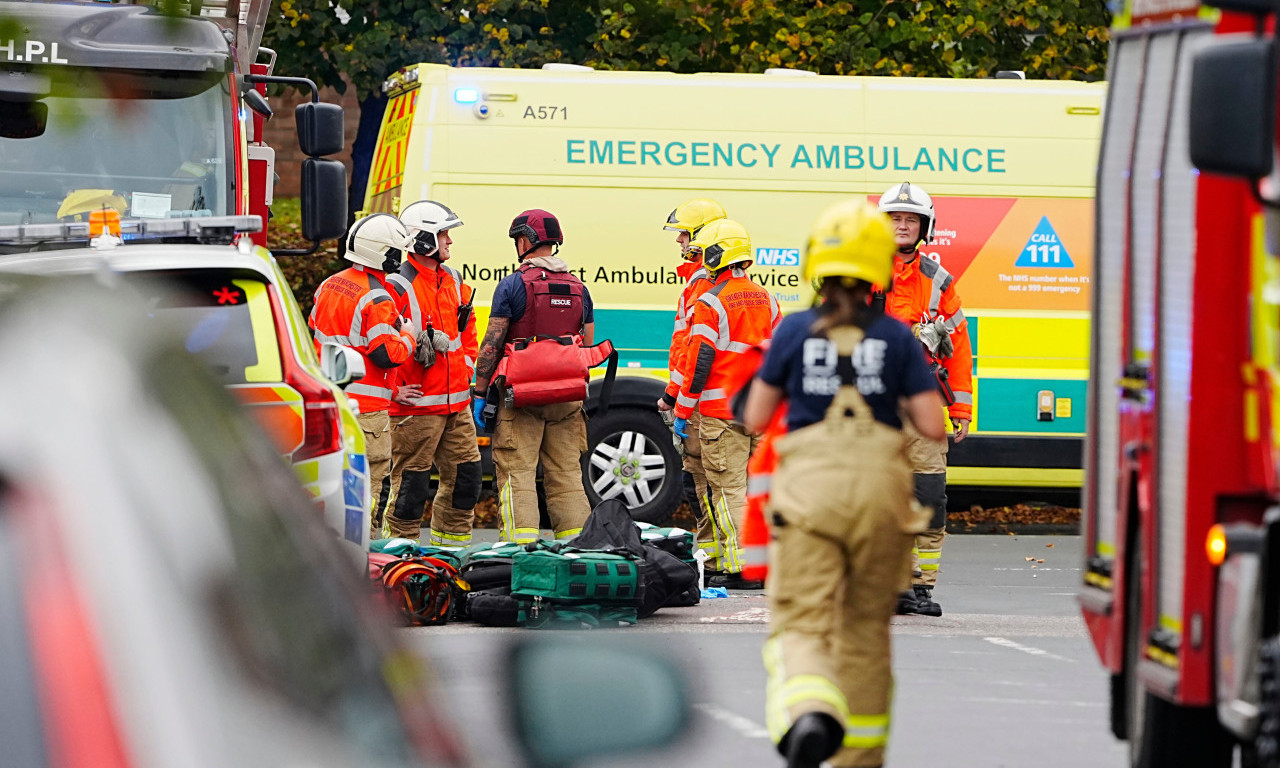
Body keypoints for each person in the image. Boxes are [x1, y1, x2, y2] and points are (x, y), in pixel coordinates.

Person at [743, 201, 945, 768]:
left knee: (803, 623)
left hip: (810, 496)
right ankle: (859, 759)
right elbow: (932, 424)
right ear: (879, 266)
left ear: (817, 264)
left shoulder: (793, 331)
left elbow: (757, 415)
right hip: (882, 499)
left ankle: (811, 711)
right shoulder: (898, 338)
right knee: (865, 634)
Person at [876, 181, 973, 617]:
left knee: (929, 496)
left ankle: (920, 588)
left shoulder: (938, 281)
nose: (902, 225)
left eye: (910, 219)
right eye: (894, 218)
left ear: (924, 227)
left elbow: (960, 350)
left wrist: (962, 409)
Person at [472, 209, 595, 543]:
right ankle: (577, 550)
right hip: (567, 398)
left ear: (524, 241)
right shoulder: (578, 288)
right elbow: (587, 342)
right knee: (567, 476)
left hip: (520, 396)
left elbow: (492, 343)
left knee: (517, 474)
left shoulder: (512, 285)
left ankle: (520, 551)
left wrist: (480, 392)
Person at [671, 218, 779, 589]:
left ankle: (744, 567)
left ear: (716, 255)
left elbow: (699, 362)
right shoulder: (768, 298)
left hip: (721, 412)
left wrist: (682, 411)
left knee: (728, 489)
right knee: (756, 490)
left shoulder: (710, 302)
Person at [310, 213, 418, 536]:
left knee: (334, 482)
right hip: (368, 415)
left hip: (330, 400)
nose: (399, 258)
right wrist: (409, 337)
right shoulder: (379, 297)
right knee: (373, 483)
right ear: (382, 253)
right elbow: (386, 354)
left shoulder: (330, 284)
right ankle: (366, 549)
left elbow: (316, 331)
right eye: (395, 251)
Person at [384, 200, 482, 545]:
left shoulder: (454, 280)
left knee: (467, 482)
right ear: (423, 239)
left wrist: (466, 372)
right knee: (410, 492)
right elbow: (377, 345)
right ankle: (398, 563)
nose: (450, 241)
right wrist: (394, 390)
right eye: (444, 234)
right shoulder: (396, 286)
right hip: (416, 409)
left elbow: (468, 335)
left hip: (457, 406)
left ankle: (449, 558)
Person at [657, 197, 729, 573]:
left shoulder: (704, 284)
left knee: (703, 482)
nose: (679, 242)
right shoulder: (701, 281)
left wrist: (676, 397)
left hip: (700, 402)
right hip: (699, 398)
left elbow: (694, 349)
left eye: (684, 235)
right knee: (706, 482)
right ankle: (716, 555)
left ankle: (717, 557)